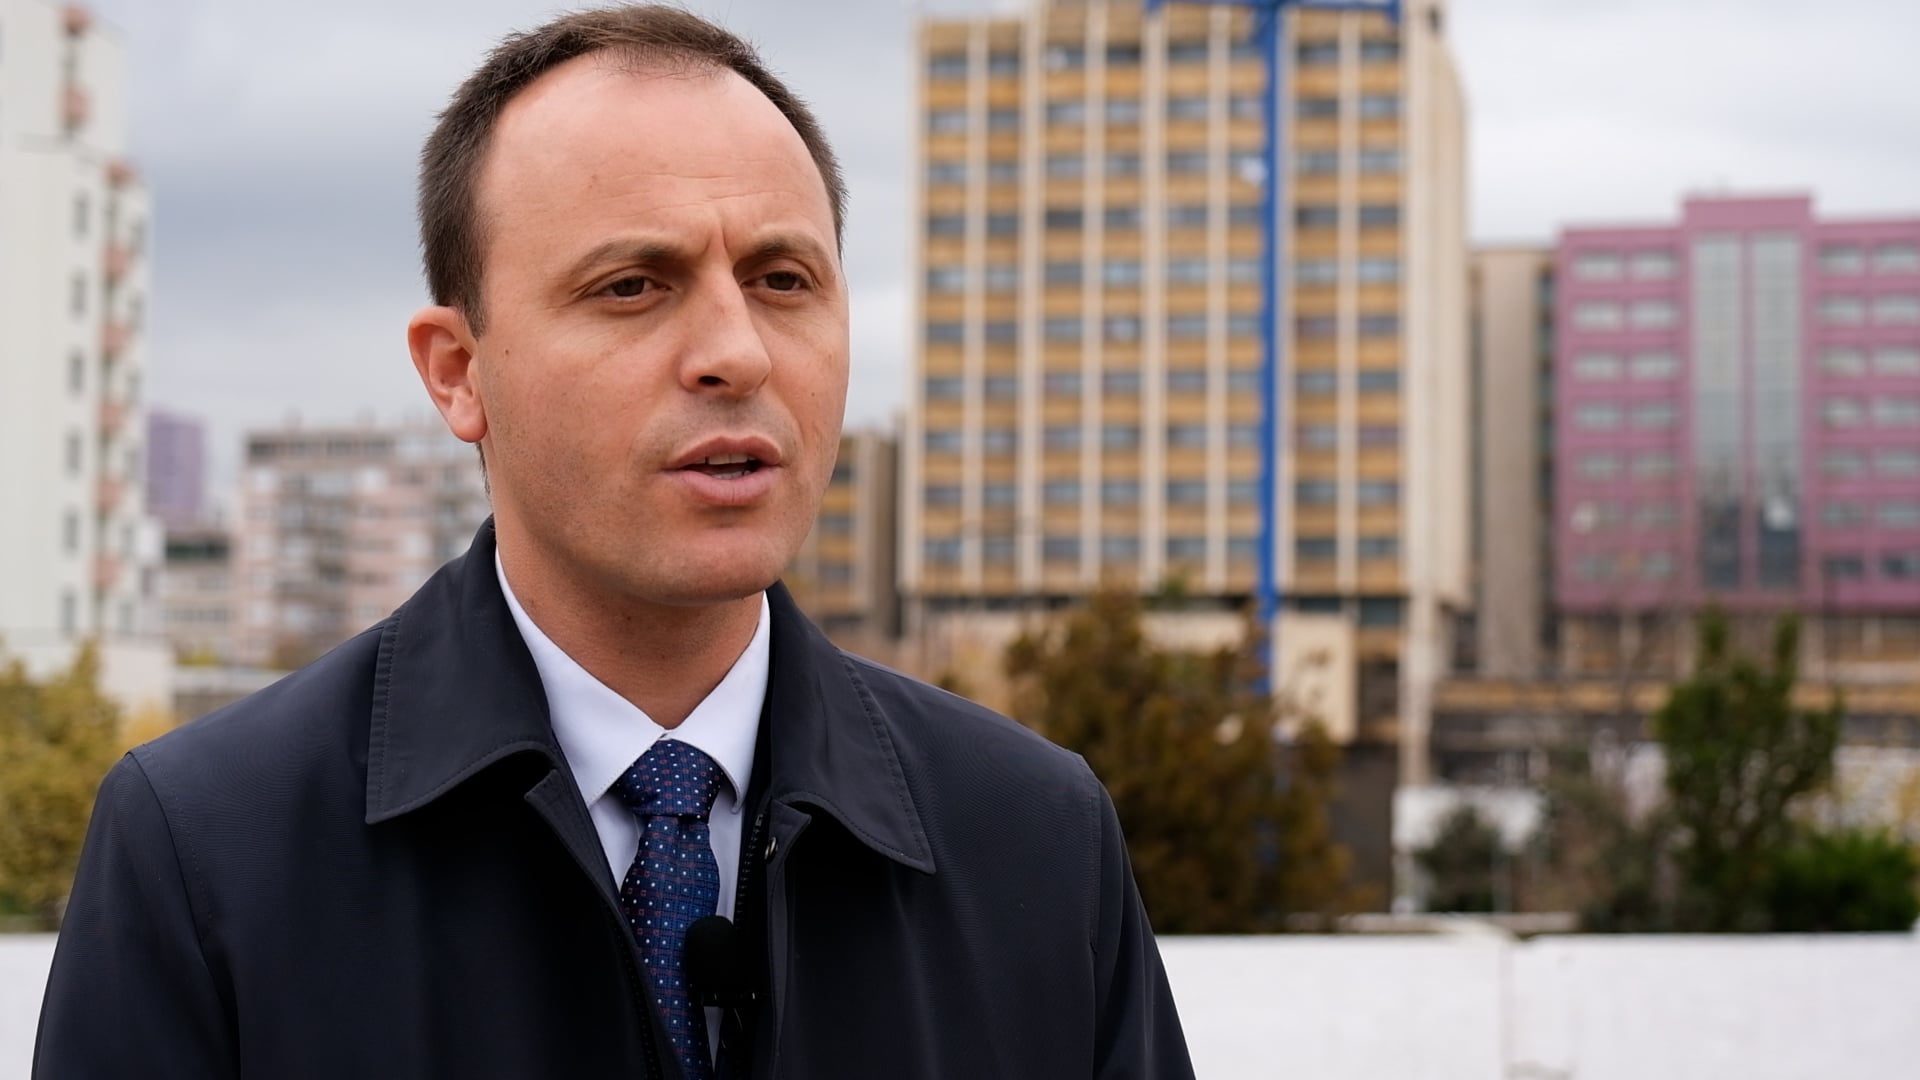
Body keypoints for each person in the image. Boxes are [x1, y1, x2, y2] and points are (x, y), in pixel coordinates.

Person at [34, 6, 1193, 1078]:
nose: (736, 352)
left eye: (783, 279)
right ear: (459, 371)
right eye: (634, 286)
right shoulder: (207, 852)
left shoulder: (1038, 845)